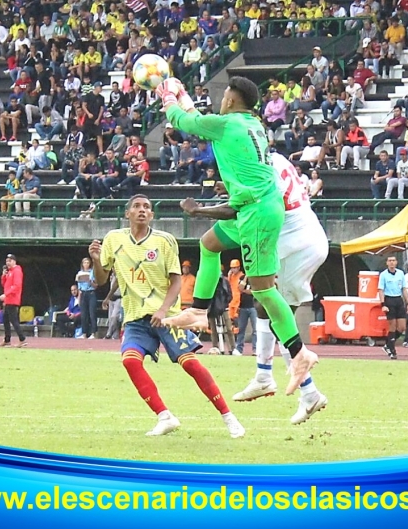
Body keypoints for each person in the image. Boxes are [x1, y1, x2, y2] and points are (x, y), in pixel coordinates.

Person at [156, 76, 318, 395]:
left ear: (231, 100)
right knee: (210, 243)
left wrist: (167, 96)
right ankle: (199, 312)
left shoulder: (227, 123)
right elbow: (201, 119)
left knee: (264, 289)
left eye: (225, 94)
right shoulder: (250, 123)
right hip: (254, 205)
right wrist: (183, 91)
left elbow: (181, 120)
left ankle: (300, 354)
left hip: (257, 211)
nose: (222, 98)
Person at [180, 152, 329, 424]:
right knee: (263, 306)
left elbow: (239, 208)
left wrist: (198, 209)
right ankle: (263, 375)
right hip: (303, 234)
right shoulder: (274, 158)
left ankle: (309, 392)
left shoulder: (254, 169)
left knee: (278, 320)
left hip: (293, 239)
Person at [88, 195, 245, 438]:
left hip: (168, 316)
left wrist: (163, 311)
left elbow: (176, 281)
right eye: (137, 206)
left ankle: (228, 416)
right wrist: (98, 261)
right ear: (127, 213)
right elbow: (100, 280)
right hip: (135, 318)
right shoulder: (113, 239)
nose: (142, 210)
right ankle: (165, 416)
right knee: (130, 361)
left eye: (147, 207)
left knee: (190, 363)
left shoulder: (164, 241)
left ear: (151, 215)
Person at [378, 256, 406, 360]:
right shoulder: (383, 275)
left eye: (393, 261)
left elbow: (404, 288)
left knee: (402, 327)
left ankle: (388, 343)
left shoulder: (400, 273)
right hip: (389, 300)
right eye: (389, 261)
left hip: (399, 299)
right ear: (387, 263)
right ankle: (392, 350)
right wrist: (383, 304)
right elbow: (381, 290)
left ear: (396, 262)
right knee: (392, 326)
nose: (392, 263)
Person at [0, 254, 26, 347]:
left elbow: (17, 286)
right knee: (5, 320)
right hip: (7, 300)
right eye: (7, 261)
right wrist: (3, 275)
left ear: (14, 261)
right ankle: (7, 339)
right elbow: (4, 284)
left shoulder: (17, 271)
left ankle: (22, 339)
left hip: (13, 300)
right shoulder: (9, 272)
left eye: (9, 261)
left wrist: (6, 294)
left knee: (13, 320)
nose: (8, 263)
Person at [75, 258, 98, 339]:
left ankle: (93, 333)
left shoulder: (92, 272)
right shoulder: (79, 273)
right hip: (83, 293)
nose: (86, 264)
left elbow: (95, 285)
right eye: (85, 262)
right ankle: (84, 333)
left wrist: (90, 281)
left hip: (91, 293)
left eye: (88, 262)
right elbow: (79, 288)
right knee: (83, 315)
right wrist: (78, 298)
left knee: (92, 314)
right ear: (82, 264)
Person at [102, 272, 122, 340]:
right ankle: (115, 336)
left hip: (119, 297)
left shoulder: (121, 273)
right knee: (110, 318)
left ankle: (109, 333)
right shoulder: (112, 275)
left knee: (114, 316)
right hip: (111, 298)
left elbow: (115, 286)